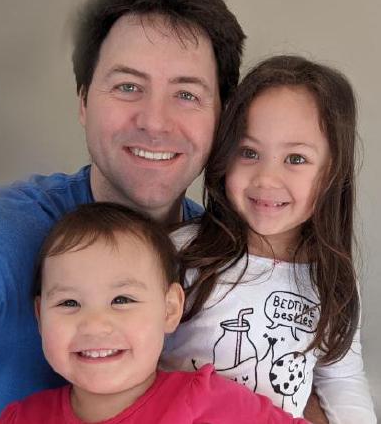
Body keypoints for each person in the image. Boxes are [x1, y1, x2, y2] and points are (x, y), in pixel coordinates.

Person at [0, 0, 245, 422]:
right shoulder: (8, 233)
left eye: (187, 94)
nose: (155, 122)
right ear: (84, 102)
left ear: (221, 117)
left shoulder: (229, 259)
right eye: (128, 86)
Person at [160, 55, 376, 423]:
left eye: (296, 159)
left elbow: (341, 378)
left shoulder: (333, 277)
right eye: (249, 152)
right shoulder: (182, 252)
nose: (266, 178)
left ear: (332, 172)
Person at [0, 202, 309, 423]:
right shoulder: (20, 417)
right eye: (69, 303)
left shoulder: (204, 401)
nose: (94, 324)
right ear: (40, 316)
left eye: (122, 300)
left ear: (170, 309)